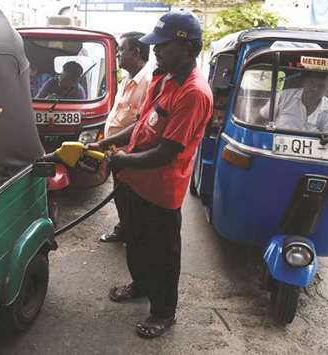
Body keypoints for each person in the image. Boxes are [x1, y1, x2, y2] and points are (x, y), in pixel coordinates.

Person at [88, 11, 213, 338]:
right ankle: (141, 285)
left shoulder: (194, 92)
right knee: (137, 242)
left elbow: (166, 152)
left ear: (187, 48)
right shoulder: (163, 76)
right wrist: (106, 142)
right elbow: (140, 123)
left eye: (162, 44)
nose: (155, 50)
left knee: (162, 255)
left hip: (161, 190)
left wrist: (120, 162)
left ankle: (163, 312)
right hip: (135, 182)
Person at [99, 31, 152, 243]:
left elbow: (142, 124)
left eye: (121, 50)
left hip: (131, 152)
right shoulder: (126, 80)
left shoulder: (148, 81)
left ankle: (132, 232)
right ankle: (125, 227)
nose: (118, 55)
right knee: (119, 191)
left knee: (131, 193)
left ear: (136, 52)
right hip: (115, 149)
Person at [259, 71, 328, 133]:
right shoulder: (282, 96)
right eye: (311, 83)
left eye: (321, 86)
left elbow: (327, 139)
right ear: (304, 82)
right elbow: (261, 118)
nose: (315, 89)